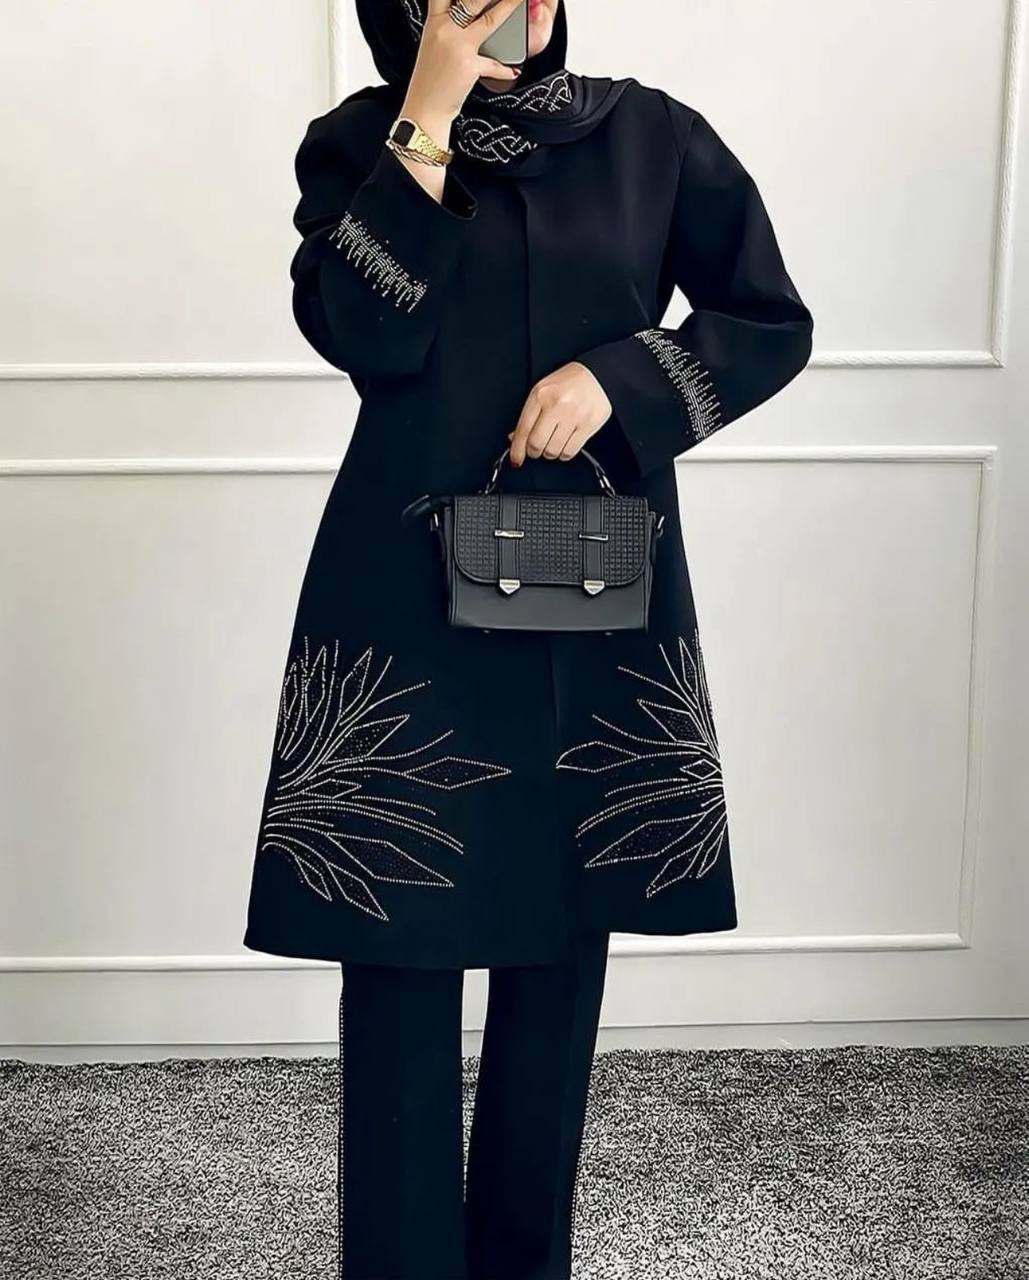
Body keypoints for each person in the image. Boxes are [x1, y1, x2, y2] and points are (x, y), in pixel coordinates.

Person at [243, 1, 814, 1275]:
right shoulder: (358, 142)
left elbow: (768, 319)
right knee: (395, 937)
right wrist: (428, 115)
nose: (527, 3)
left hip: (589, 589)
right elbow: (368, 333)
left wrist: (622, 379)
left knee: (560, 945)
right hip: (402, 602)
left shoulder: (651, 137)